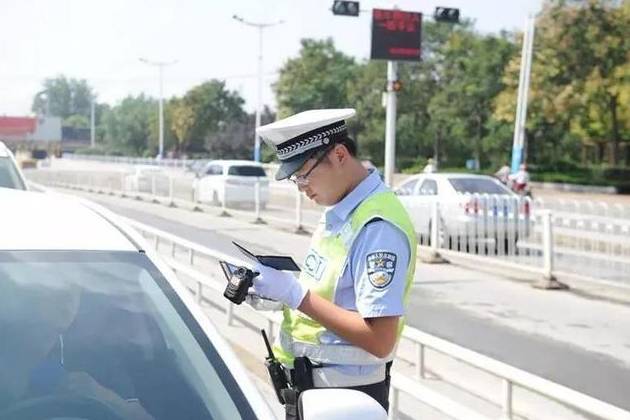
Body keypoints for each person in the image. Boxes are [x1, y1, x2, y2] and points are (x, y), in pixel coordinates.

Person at [251, 109, 417, 417]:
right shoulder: (341, 212)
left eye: (303, 173)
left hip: (347, 402)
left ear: (339, 155)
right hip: (314, 394)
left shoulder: (377, 227)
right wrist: (278, 295)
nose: (301, 187)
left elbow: (380, 340)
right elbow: (330, 294)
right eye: (294, 178)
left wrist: (296, 296)